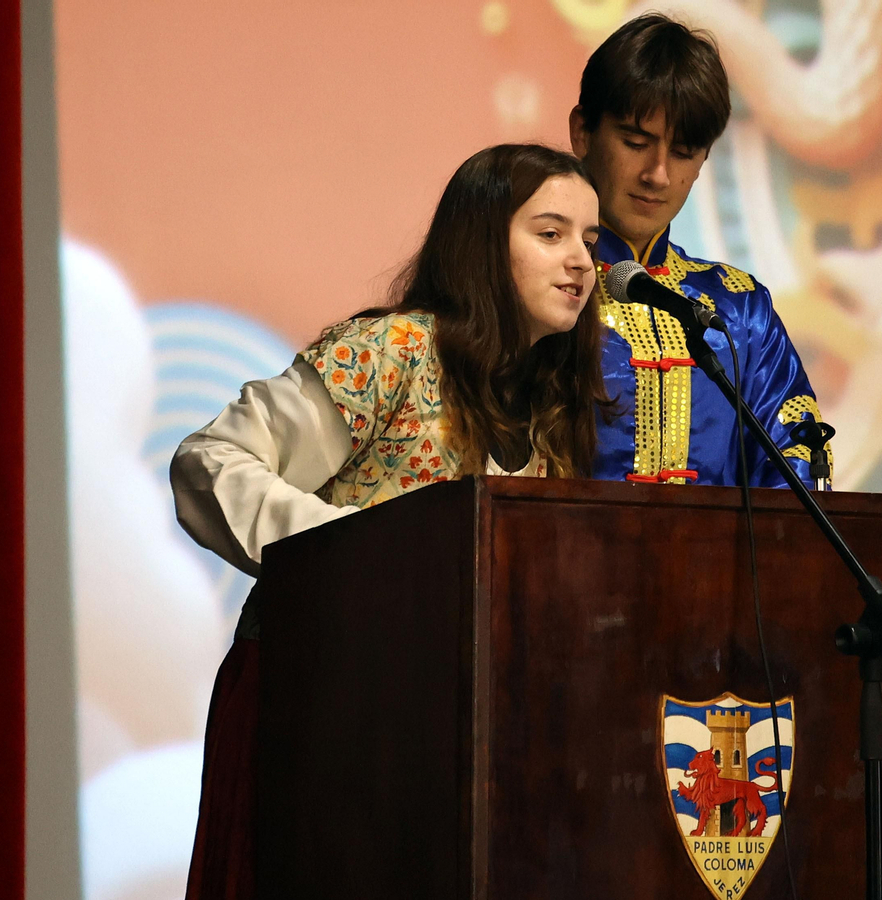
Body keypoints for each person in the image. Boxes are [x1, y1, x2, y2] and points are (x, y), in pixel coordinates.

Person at [171, 143, 608, 899]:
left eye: (590, 242)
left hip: (436, 734)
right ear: (480, 243)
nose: (580, 262)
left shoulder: (552, 413)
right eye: (550, 234)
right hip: (315, 710)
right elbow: (212, 461)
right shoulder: (392, 352)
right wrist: (362, 557)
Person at [570, 13, 832, 488]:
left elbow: (794, 468)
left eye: (685, 153)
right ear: (583, 133)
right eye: (635, 142)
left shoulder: (739, 309)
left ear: (705, 158)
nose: (659, 174)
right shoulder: (538, 291)